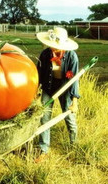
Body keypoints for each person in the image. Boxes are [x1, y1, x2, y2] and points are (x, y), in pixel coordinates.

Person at [35, 27, 80, 162]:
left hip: (65, 88)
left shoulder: (72, 57)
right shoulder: (45, 54)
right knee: (44, 118)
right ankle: (44, 150)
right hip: (49, 88)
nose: (53, 48)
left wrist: (75, 102)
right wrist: (36, 92)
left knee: (69, 117)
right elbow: (39, 74)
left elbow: (74, 80)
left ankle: (74, 146)